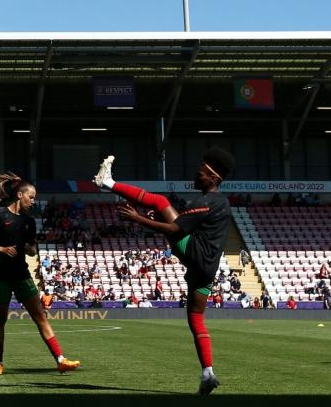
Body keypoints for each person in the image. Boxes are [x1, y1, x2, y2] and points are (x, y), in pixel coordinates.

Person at [95, 147, 235, 395]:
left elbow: (174, 230)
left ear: (214, 178)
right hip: (208, 268)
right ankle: (207, 373)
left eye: (201, 172)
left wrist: (139, 219)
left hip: (193, 253)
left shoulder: (205, 202)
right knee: (195, 316)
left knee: (160, 201)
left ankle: (107, 182)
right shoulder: (222, 202)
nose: (197, 174)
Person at [0, 172, 80, 376]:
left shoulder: (29, 222)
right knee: (0, 321)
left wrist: (31, 249)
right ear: (19, 195)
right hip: (0, 276)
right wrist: (1, 249)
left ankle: (60, 359)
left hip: (21, 275)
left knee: (40, 316)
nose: (33, 201)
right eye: (31, 197)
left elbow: (31, 248)